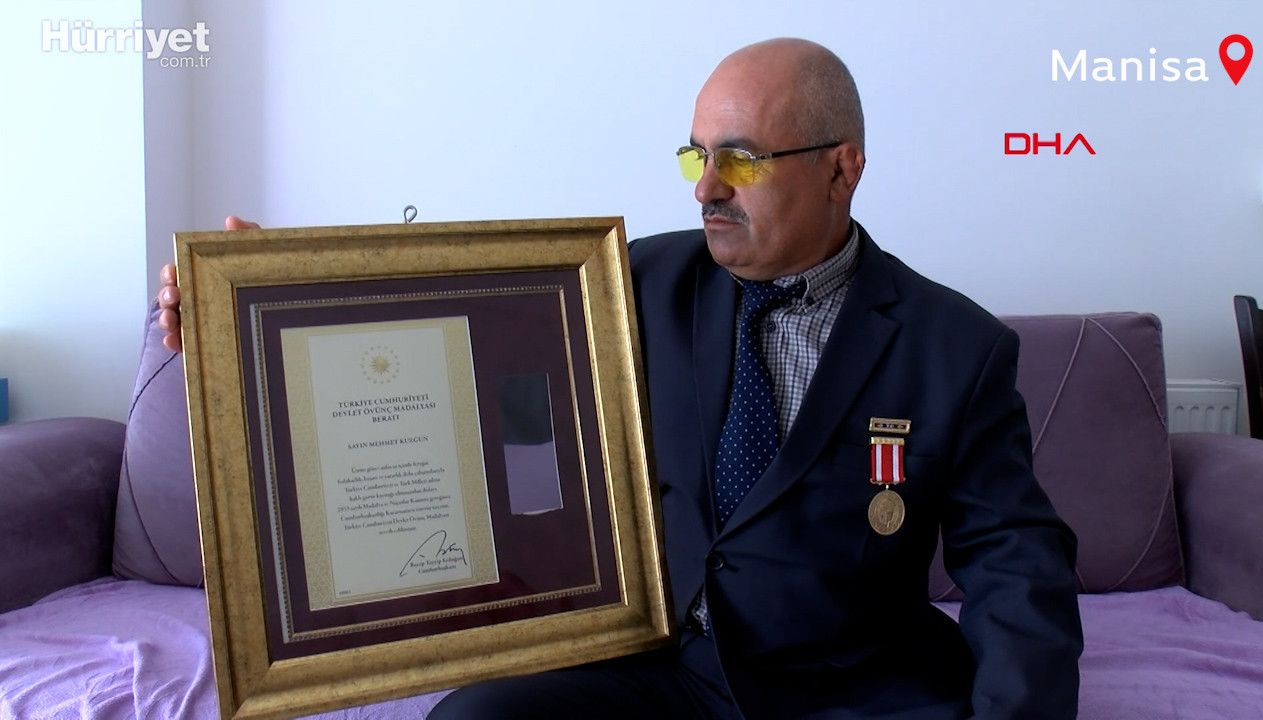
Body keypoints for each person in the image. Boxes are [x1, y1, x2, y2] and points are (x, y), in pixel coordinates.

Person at [159, 38, 1082, 719]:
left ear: (842, 169)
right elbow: (456, 338)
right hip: (656, 668)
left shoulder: (955, 347)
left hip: (848, 688)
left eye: (741, 159)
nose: (705, 188)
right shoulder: (630, 282)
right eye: (696, 155)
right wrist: (260, 300)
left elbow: (1017, 563)